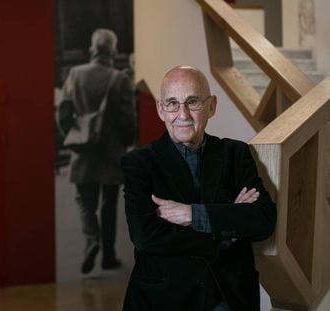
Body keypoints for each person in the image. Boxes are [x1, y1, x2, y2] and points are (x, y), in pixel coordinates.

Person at [121, 66, 276, 310]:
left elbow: (263, 219)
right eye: (172, 103)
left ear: (211, 106)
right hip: (165, 300)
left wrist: (192, 214)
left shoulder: (236, 153)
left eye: (192, 102)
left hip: (229, 298)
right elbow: (145, 237)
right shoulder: (139, 163)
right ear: (161, 109)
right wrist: (226, 231)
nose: (182, 114)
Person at [57, 28, 136, 274]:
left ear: (92, 49)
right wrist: (126, 142)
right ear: (113, 50)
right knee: (109, 203)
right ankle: (109, 256)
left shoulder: (76, 74)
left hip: (83, 152)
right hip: (112, 153)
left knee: (84, 201)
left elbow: (63, 112)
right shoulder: (120, 79)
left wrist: (73, 136)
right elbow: (128, 119)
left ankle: (91, 241)